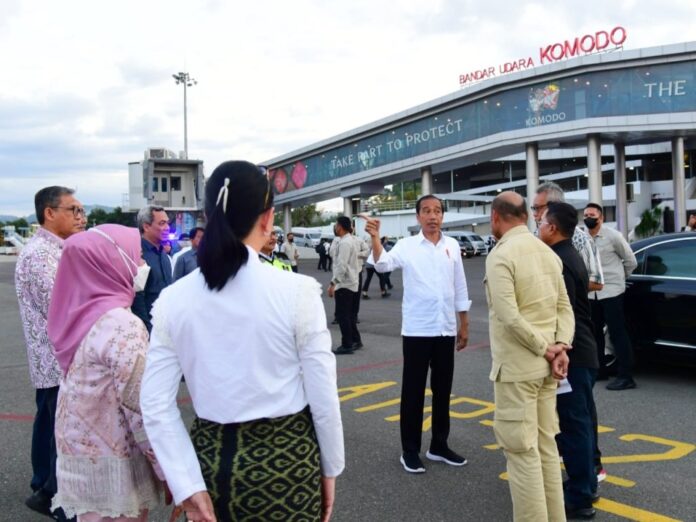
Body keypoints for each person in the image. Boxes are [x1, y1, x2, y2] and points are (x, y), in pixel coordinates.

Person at [140, 161, 344, 522]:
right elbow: (323, 396)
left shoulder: (173, 300)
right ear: (268, 219)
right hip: (290, 466)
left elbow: (155, 405)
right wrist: (330, 467)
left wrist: (187, 484)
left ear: (207, 215)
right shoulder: (297, 291)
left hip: (211, 464)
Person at [46, 224, 167, 521]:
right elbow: (141, 407)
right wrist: (171, 471)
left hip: (79, 461)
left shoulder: (79, 316)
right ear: (112, 262)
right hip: (113, 471)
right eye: (136, 256)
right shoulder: (122, 325)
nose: (142, 265)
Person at [364, 195, 471, 474]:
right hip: (417, 330)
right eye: (426, 211)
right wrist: (376, 237)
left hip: (445, 328)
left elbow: (459, 285)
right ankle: (409, 450)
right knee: (413, 392)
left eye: (437, 211)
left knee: (443, 390)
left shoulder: (452, 246)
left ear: (443, 216)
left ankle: (438, 445)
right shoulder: (407, 246)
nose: (432, 216)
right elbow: (382, 265)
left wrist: (464, 323)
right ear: (418, 216)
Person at [485, 191, 574, 522]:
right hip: (547, 370)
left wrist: (545, 347)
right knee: (547, 448)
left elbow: (509, 316)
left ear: (496, 217)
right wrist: (560, 346)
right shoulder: (547, 252)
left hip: (518, 370)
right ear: (525, 215)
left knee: (521, 455)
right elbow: (564, 307)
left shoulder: (501, 255)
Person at [15, 186, 86, 519]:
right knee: (56, 429)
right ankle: (50, 491)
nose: (80, 217)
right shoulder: (39, 256)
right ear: (49, 213)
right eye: (72, 209)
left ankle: (44, 487)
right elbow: (63, 307)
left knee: (49, 425)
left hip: (60, 360)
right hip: (55, 360)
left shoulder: (60, 250)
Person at [533, 181, 607, 481]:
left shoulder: (563, 255)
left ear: (553, 222)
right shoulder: (558, 251)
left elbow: (562, 305)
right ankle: (584, 478)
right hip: (580, 343)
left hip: (573, 348)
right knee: (578, 419)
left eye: (539, 210)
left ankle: (582, 489)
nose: (535, 217)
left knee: (576, 421)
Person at [539, 202, 600, 520]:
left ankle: (580, 496)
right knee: (583, 424)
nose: (538, 226)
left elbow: (557, 312)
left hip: (572, 354)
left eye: (540, 220)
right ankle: (586, 484)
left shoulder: (558, 260)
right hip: (584, 351)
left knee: (574, 426)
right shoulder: (568, 255)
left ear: (552, 228)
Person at [583, 203, 638, 391]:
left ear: (601, 218)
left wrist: (619, 280)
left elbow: (631, 261)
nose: (588, 217)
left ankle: (626, 376)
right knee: (594, 333)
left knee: (617, 334)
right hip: (592, 293)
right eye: (586, 214)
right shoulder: (582, 237)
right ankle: (600, 370)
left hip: (612, 291)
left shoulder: (613, 236)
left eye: (592, 214)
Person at [532, 182, 604, 292]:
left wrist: (555, 288)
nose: (534, 214)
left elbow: (596, 283)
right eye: (533, 208)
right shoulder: (535, 236)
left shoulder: (581, 239)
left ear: (555, 206)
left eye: (538, 208)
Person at [132, 205, 173, 332]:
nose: (167, 228)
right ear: (146, 226)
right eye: (162, 223)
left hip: (167, 326)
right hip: (148, 330)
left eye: (167, 223)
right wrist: (148, 332)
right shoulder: (136, 255)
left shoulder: (164, 255)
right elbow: (137, 299)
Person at [328, 216, 362, 355]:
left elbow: (342, 266)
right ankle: (356, 340)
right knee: (348, 315)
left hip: (345, 283)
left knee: (343, 316)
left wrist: (333, 283)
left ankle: (347, 344)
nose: (335, 227)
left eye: (336, 225)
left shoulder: (345, 243)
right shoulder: (348, 240)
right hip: (350, 281)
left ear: (340, 227)